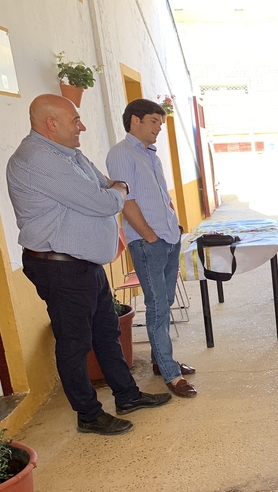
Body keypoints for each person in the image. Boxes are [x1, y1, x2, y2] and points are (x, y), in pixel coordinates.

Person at [6, 94, 172, 435]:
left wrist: (112, 191)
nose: (81, 126)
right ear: (51, 123)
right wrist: (118, 189)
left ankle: (127, 395)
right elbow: (103, 200)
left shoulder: (70, 155)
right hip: (60, 267)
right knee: (75, 342)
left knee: (106, 333)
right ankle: (88, 414)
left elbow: (102, 189)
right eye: (74, 120)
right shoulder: (37, 158)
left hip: (83, 264)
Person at [106, 98, 196, 398]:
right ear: (135, 120)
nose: (159, 128)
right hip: (148, 243)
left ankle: (161, 361)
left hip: (168, 238)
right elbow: (126, 201)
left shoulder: (151, 155)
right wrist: (149, 236)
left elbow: (161, 193)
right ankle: (171, 374)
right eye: (154, 121)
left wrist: (175, 225)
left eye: (161, 122)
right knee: (157, 307)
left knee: (165, 301)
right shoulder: (120, 153)